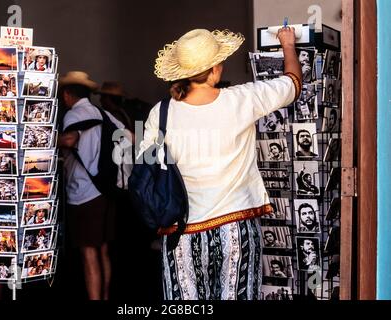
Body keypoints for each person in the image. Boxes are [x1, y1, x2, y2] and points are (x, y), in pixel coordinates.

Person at [139, 27, 301, 300]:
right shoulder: (242, 99)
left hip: (182, 233)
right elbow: (293, 82)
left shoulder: (161, 112)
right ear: (215, 69)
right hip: (235, 229)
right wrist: (288, 44)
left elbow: (147, 164)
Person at [58, 71, 124, 300]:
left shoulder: (73, 114)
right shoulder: (101, 113)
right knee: (103, 250)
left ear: (67, 95)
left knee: (88, 255)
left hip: (84, 193)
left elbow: (69, 140)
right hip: (105, 189)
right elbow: (127, 136)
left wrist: (41, 138)